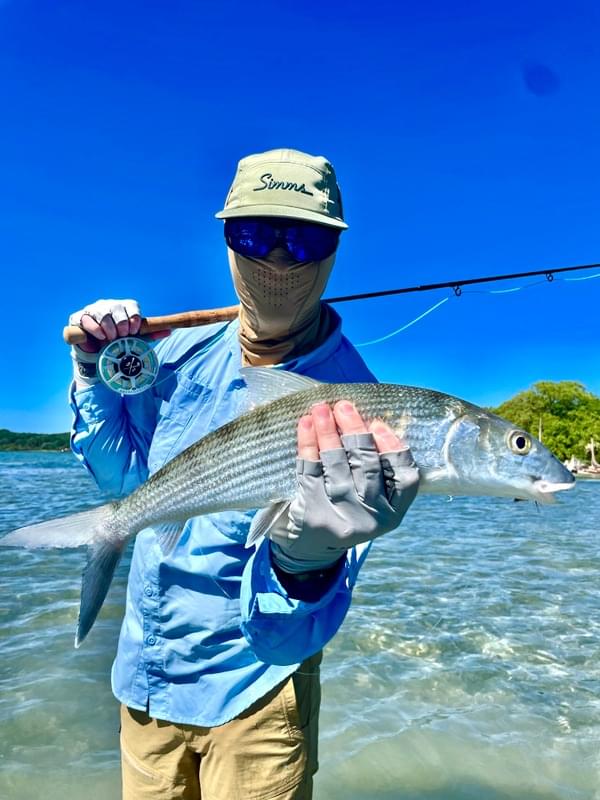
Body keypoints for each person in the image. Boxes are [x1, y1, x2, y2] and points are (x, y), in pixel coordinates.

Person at [68, 148, 420, 800]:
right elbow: (121, 484)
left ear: (334, 250)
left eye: (304, 236)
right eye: (256, 234)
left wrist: (306, 563)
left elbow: (290, 637)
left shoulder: (362, 407)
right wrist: (93, 373)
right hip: (145, 679)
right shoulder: (172, 355)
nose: (279, 259)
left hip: (257, 694)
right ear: (227, 239)